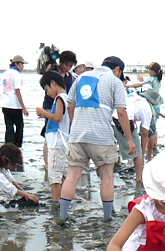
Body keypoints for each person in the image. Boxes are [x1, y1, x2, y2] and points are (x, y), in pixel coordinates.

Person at [58, 56, 135, 223]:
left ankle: (62, 216)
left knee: (72, 175)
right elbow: (122, 112)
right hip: (102, 137)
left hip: (77, 135)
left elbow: (70, 105)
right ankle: (107, 217)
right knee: (107, 176)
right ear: (118, 70)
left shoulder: (80, 78)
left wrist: (75, 125)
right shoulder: (115, 82)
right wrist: (129, 140)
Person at [40, 51, 77, 182]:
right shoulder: (52, 70)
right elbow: (42, 76)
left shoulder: (69, 77)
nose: (68, 68)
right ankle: (48, 164)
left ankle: (56, 165)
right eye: (66, 64)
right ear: (61, 62)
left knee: (58, 130)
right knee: (48, 133)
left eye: (71, 65)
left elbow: (58, 117)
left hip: (61, 103)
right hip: (51, 104)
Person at [36, 71, 71, 203]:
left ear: (53, 83)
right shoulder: (66, 97)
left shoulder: (59, 98)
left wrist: (44, 113)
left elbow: (57, 117)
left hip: (57, 142)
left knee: (55, 176)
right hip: (62, 141)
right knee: (62, 174)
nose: (47, 93)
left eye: (47, 89)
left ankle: (56, 203)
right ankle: (64, 199)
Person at [115, 89, 160, 186]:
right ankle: (139, 179)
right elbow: (145, 134)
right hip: (122, 120)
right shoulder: (147, 109)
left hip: (112, 118)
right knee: (137, 152)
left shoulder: (134, 96)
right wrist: (142, 154)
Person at [127, 63, 165, 159]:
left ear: (153, 72)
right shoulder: (157, 80)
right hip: (156, 104)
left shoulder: (152, 79)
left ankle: (147, 149)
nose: (148, 71)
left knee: (148, 128)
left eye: (149, 70)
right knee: (153, 127)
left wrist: (129, 86)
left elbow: (140, 85)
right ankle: (153, 146)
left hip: (150, 103)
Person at [1, 55, 29, 147]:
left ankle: (8, 147)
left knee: (9, 128)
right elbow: (17, 91)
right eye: (22, 64)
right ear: (16, 63)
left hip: (5, 104)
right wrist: (23, 108)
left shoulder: (5, 73)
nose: (23, 66)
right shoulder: (16, 74)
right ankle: (17, 147)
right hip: (14, 105)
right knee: (19, 126)